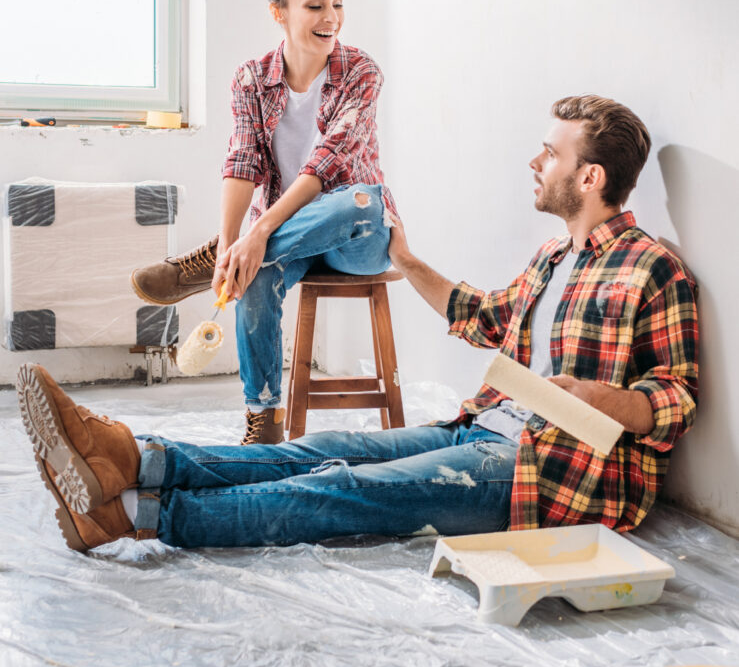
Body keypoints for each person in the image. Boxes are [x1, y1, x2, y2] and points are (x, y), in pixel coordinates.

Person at [19, 95, 698, 553]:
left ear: (590, 178)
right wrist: (406, 259)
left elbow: (676, 398)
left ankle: (130, 515)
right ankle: (138, 459)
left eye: (549, 153)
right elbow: (485, 317)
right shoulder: (554, 258)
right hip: (486, 426)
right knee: (325, 448)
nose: (534, 161)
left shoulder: (652, 270)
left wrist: (618, 403)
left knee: (345, 489)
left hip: (545, 471)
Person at [131, 0, 396, 444]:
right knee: (251, 272)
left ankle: (224, 254)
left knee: (357, 197)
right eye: (314, 4)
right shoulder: (252, 78)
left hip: (354, 236)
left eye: (337, 2)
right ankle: (264, 420)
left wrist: (258, 232)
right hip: (283, 236)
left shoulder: (360, 73)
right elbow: (243, 161)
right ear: (279, 12)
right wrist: (235, 240)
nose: (331, 16)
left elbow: (326, 166)